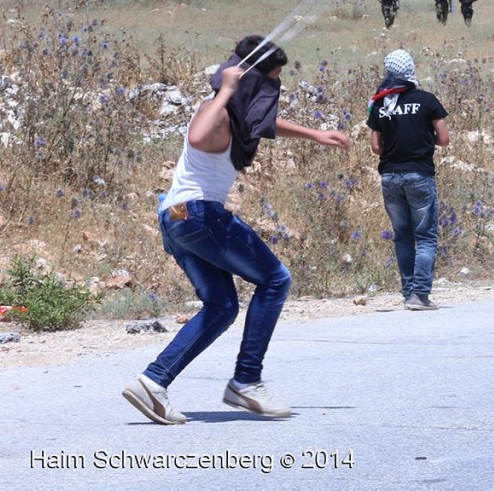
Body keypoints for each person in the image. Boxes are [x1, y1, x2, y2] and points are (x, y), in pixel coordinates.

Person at [122, 36, 351, 425]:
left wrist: (314, 134)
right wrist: (226, 90)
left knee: (223, 306)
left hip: (177, 217)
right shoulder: (218, 109)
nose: (274, 92)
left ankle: (153, 382)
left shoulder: (233, 114)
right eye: (272, 82)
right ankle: (246, 381)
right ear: (251, 83)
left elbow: (262, 122)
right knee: (276, 280)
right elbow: (198, 135)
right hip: (198, 214)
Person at [367, 50, 450, 311]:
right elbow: (444, 139)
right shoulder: (426, 101)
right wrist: (423, 140)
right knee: (425, 237)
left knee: (403, 237)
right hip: (419, 174)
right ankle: (420, 295)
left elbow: (376, 147)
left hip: (390, 176)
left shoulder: (379, 103)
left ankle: (407, 292)